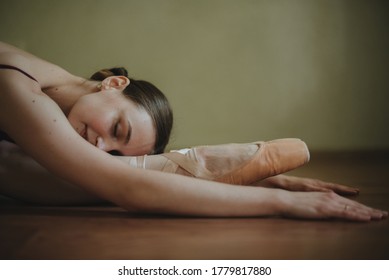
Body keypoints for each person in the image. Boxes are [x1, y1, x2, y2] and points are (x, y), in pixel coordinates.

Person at [0, 41, 387, 221]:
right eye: (118, 127)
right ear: (114, 84)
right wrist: (283, 204)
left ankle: (186, 167)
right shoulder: (17, 86)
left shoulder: (45, 93)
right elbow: (123, 187)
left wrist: (263, 182)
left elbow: (111, 178)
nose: (101, 146)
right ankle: (186, 167)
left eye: (117, 153)